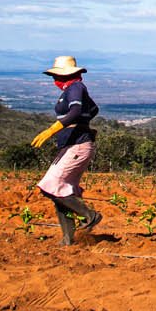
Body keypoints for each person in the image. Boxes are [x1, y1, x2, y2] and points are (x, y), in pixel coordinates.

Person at [30, 55, 103, 245]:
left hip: (77, 145)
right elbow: (93, 109)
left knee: (51, 184)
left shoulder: (75, 87)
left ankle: (90, 215)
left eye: (58, 76)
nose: (55, 80)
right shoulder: (74, 88)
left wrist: (53, 129)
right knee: (59, 192)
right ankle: (68, 239)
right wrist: (83, 124)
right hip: (72, 144)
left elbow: (77, 111)